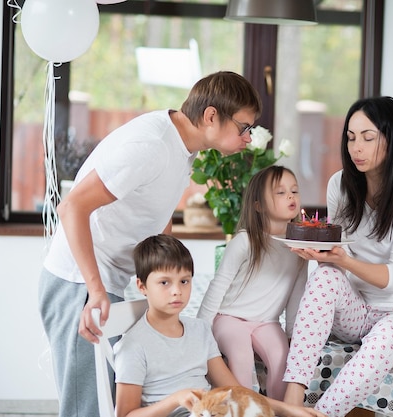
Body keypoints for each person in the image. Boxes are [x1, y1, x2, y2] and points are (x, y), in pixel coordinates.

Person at [37, 71, 263, 417]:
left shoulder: (181, 148)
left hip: (104, 280)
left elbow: (157, 216)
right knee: (87, 407)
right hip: (78, 280)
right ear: (211, 116)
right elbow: (71, 207)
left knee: (108, 403)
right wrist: (95, 291)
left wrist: (165, 278)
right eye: (244, 127)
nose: (248, 138)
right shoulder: (152, 145)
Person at [282, 96, 393, 417]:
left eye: (368, 137)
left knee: (388, 334)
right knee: (324, 276)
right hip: (358, 311)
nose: (356, 147)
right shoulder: (340, 184)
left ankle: (322, 415)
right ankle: (292, 404)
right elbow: (339, 262)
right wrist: (321, 255)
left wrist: (341, 259)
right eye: (351, 137)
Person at [114, 234, 326, 417]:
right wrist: (176, 399)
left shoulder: (200, 330)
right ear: (142, 286)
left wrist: (287, 409)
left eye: (184, 281)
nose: (176, 291)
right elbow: (125, 415)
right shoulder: (133, 345)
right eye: (164, 282)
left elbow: (235, 390)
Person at [197, 165, 308, 401]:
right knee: (241, 355)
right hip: (229, 318)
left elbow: (296, 296)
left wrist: (291, 334)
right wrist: (200, 331)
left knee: (282, 357)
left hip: (267, 322)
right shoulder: (245, 241)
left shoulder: (299, 248)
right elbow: (218, 286)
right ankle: (241, 409)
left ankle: (278, 410)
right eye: (280, 192)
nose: (290, 196)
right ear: (258, 205)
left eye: (294, 191)